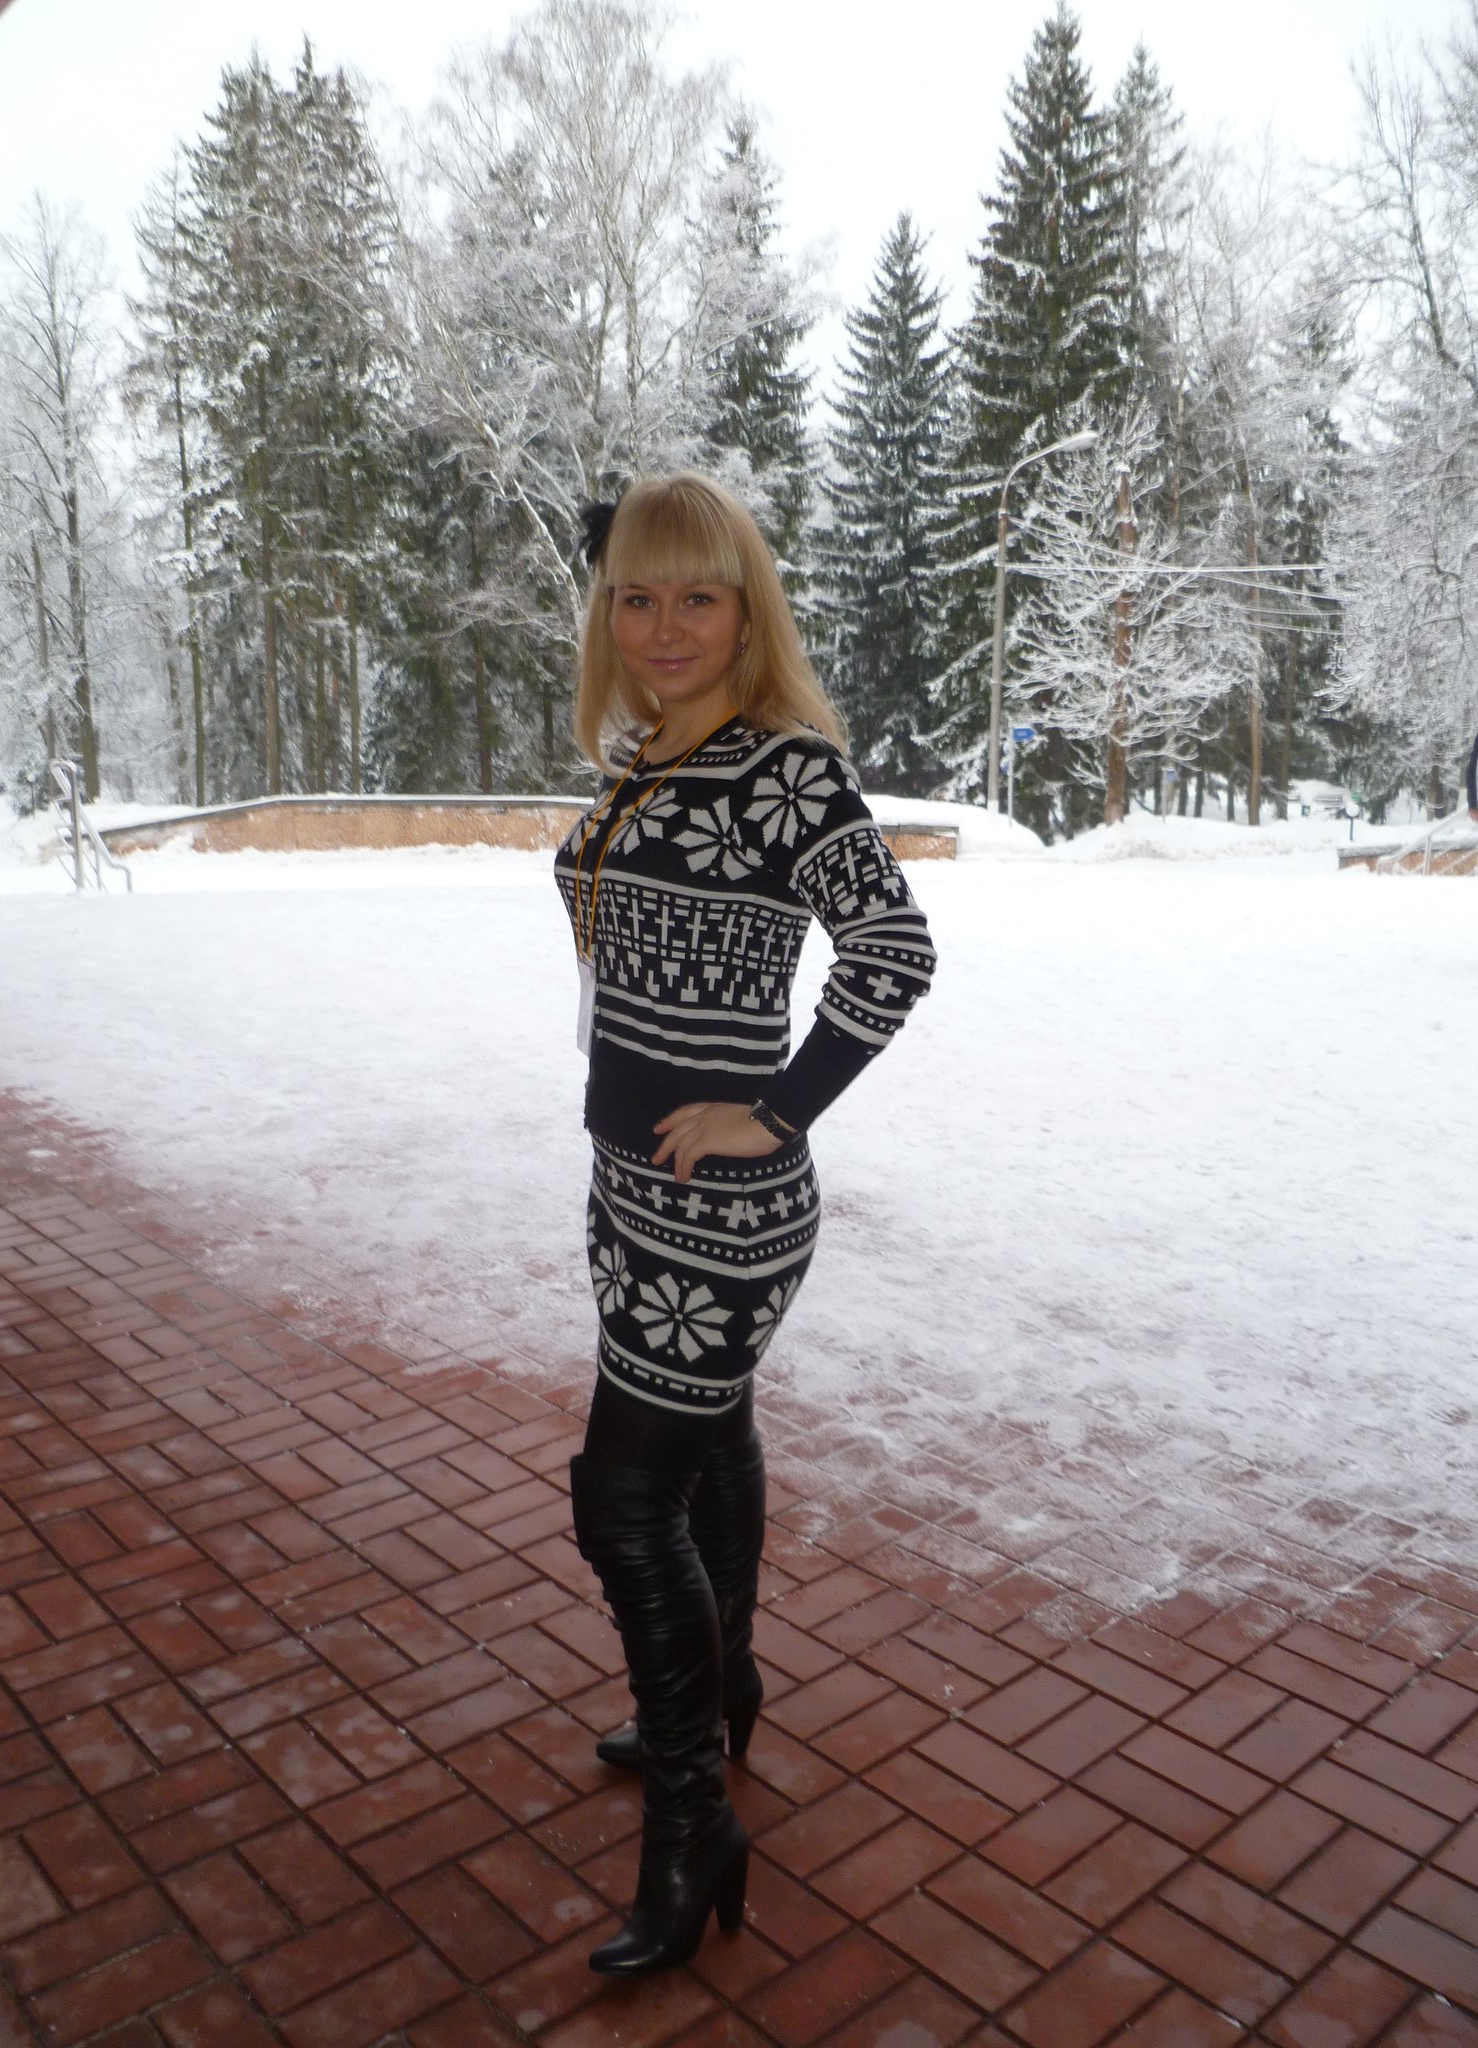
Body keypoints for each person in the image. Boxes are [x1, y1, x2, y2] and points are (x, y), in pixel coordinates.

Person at [556, 473, 936, 1977]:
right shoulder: (644, 757)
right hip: (628, 1186)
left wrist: (775, 1110)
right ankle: (722, 1688)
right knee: (710, 1444)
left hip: (721, 1215)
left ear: (746, 609)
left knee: (618, 1501)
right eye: (635, 597)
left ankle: (694, 1818)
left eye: (697, 597)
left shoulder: (787, 773)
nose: (665, 627)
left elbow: (893, 950)